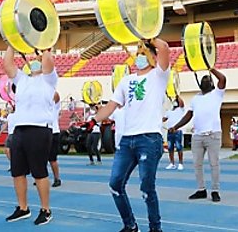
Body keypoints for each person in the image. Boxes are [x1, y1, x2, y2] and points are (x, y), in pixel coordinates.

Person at [95, 38, 171, 232]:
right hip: (127, 140)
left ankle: (155, 228)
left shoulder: (159, 76)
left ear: (152, 57)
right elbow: (111, 106)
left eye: (144, 54)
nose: (139, 57)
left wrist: (148, 36)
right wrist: (94, 118)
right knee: (115, 184)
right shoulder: (126, 80)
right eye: (138, 54)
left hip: (149, 138)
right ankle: (130, 225)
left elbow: (164, 48)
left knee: (147, 188)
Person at [3, 47, 58, 226]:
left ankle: (46, 210)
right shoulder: (22, 80)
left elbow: (49, 62)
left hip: (40, 129)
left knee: (39, 172)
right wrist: (12, 43)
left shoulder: (49, 80)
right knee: (17, 172)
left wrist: (44, 49)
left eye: (38, 60)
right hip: (20, 130)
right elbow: (7, 64)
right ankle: (23, 208)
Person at [169, 68, 227, 203]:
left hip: (213, 134)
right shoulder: (195, 98)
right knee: (197, 164)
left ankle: (215, 190)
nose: (205, 81)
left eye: (208, 79)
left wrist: (210, 67)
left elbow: (223, 79)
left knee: (214, 164)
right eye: (203, 80)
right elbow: (188, 115)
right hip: (197, 136)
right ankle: (201, 189)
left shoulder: (217, 94)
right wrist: (176, 127)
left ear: (212, 84)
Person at [163, 96, 185, 171]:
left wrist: (177, 95)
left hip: (177, 131)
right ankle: (172, 163)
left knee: (179, 147)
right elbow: (164, 119)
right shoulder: (169, 111)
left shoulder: (180, 109)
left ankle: (180, 163)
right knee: (170, 148)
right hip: (169, 132)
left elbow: (182, 103)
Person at [48, 92, 62, 187]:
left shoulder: (54, 106)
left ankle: (57, 178)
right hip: (43, 133)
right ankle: (40, 178)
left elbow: (57, 96)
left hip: (54, 133)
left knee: (52, 159)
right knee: (40, 158)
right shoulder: (41, 107)